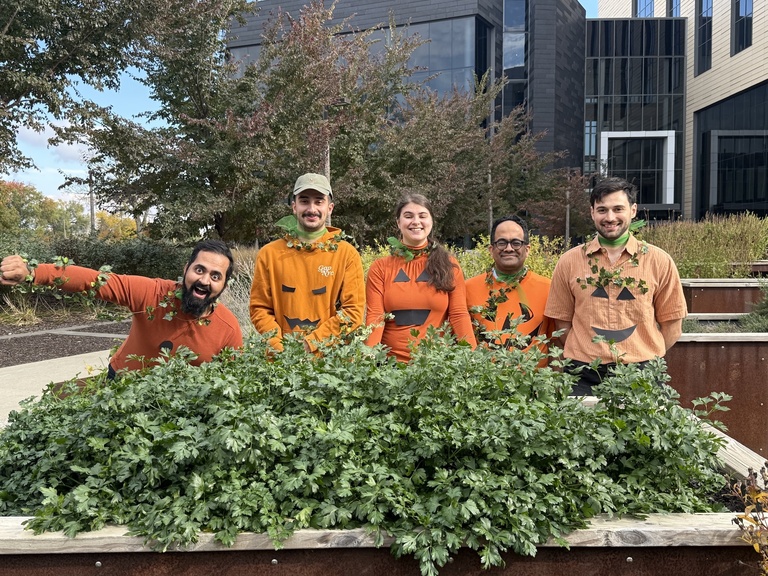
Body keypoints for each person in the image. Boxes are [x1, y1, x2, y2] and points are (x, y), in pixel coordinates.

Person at [0, 239, 243, 375]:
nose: (204, 280)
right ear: (185, 269)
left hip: (177, 404)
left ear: (223, 285)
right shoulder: (153, 294)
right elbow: (97, 282)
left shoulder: (228, 328)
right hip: (124, 382)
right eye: (199, 270)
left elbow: (232, 377)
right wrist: (33, 272)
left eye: (215, 276)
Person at [544, 177, 687, 395]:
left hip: (643, 375)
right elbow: (562, 323)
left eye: (618, 209)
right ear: (592, 213)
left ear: (633, 210)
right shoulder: (569, 262)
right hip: (582, 376)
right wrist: (589, 351)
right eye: (602, 210)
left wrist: (643, 352)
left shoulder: (659, 261)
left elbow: (672, 326)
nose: (610, 217)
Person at [249, 172, 365, 352]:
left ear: (330, 208)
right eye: (304, 201)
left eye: (319, 201)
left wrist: (310, 343)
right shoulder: (269, 254)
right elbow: (259, 308)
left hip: (331, 363)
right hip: (280, 361)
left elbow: (353, 312)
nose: (312, 209)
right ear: (294, 206)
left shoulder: (347, 254)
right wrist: (279, 347)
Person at [365, 193, 477, 362]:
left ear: (431, 221)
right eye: (408, 216)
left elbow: (458, 314)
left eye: (422, 216)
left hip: (435, 364)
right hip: (390, 366)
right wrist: (369, 358)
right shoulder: (380, 268)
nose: (416, 222)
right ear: (398, 222)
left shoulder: (449, 265)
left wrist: (472, 358)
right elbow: (375, 317)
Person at [465, 215, 553, 356]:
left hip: (534, 377)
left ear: (527, 249)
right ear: (491, 249)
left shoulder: (548, 289)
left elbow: (556, 343)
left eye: (516, 243)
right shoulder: (467, 289)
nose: (509, 248)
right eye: (502, 242)